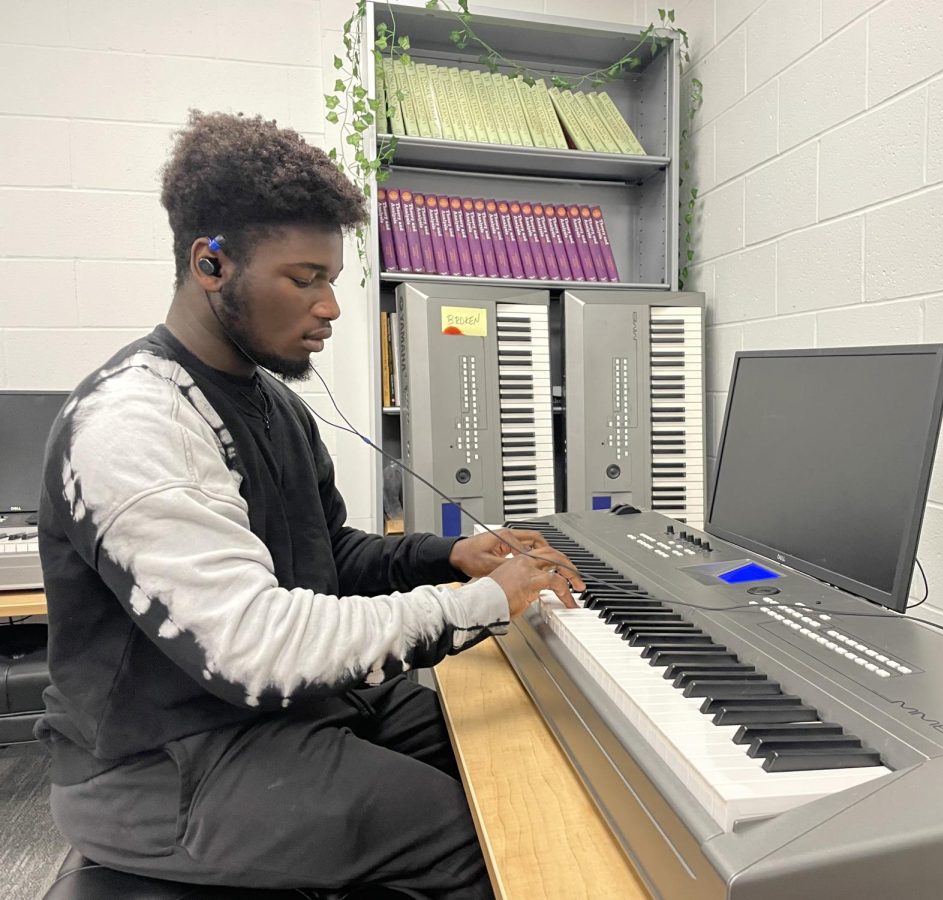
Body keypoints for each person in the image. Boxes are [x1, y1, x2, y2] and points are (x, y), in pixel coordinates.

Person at [35, 110, 582, 899]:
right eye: (305, 279)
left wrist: (451, 557)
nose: (330, 307)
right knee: (484, 839)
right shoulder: (133, 424)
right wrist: (484, 605)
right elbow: (255, 649)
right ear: (211, 264)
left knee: (521, 748)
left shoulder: (273, 403)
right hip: (163, 767)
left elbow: (329, 559)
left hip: (282, 717)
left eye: (332, 278)